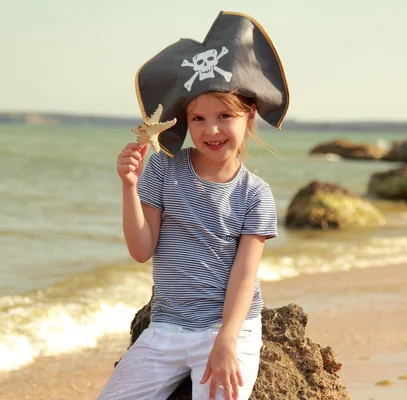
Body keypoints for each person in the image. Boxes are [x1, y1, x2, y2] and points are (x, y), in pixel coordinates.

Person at [97, 11, 289, 400]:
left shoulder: (255, 194)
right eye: (198, 118)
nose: (211, 129)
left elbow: (243, 276)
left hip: (226, 329)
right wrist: (129, 187)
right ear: (184, 121)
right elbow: (140, 250)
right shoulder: (165, 168)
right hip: (166, 328)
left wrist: (226, 341)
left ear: (249, 115)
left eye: (224, 116)